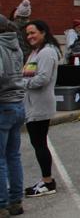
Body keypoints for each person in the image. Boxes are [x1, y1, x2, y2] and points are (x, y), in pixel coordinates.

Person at [22, 20, 60, 197]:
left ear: (43, 32)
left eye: (33, 33)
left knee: (40, 144)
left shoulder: (47, 52)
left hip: (40, 105)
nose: (29, 36)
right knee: (38, 143)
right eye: (27, 34)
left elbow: (43, 79)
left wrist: (20, 83)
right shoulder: (35, 52)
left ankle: (47, 182)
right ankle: (46, 180)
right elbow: (29, 74)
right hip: (31, 103)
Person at [0, 18, 25, 215]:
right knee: (13, 155)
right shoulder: (15, 45)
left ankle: (1, 203)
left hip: (3, 104)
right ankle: (15, 199)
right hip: (17, 103)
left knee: (1, 158)